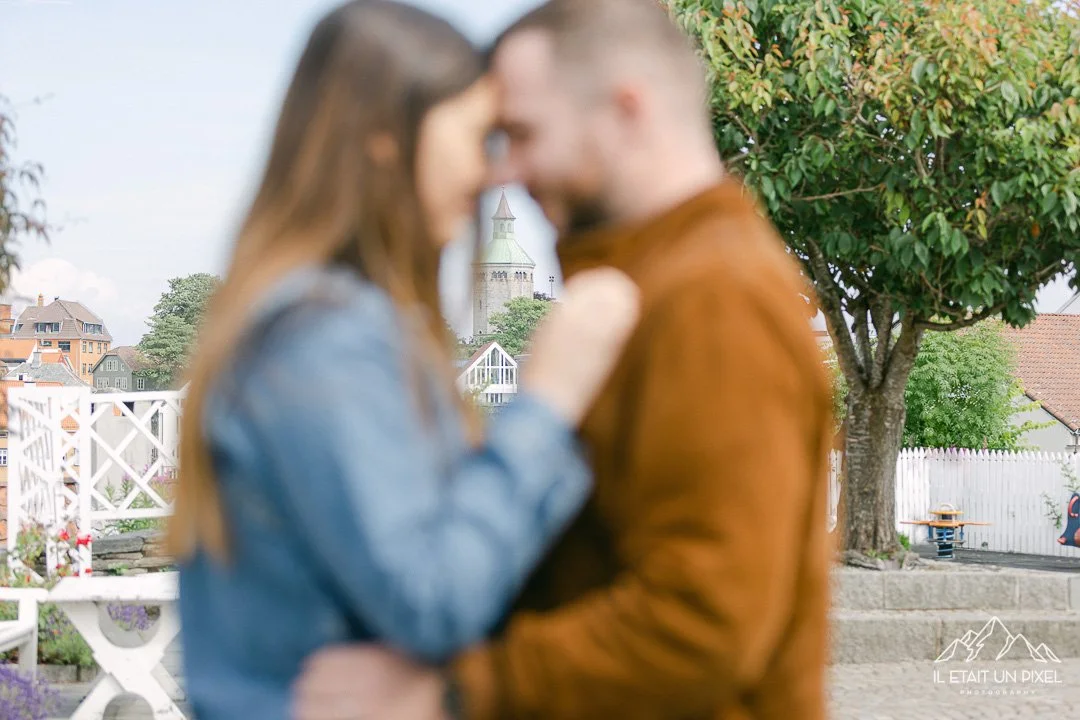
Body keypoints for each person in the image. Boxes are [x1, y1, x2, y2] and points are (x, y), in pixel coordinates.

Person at [293, 1, 834, 719]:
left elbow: (704, 622)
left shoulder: (715, 295)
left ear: (625, 109)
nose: (501, 173)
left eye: (520, 134)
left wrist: (455, 689)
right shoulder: (653, 280)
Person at [167, 2, 640, 718]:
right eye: (478, 138)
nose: (492, 176)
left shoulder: (301, 321)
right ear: (385, 136)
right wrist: (548, 400)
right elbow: (433, 598)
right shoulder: (324, 337)